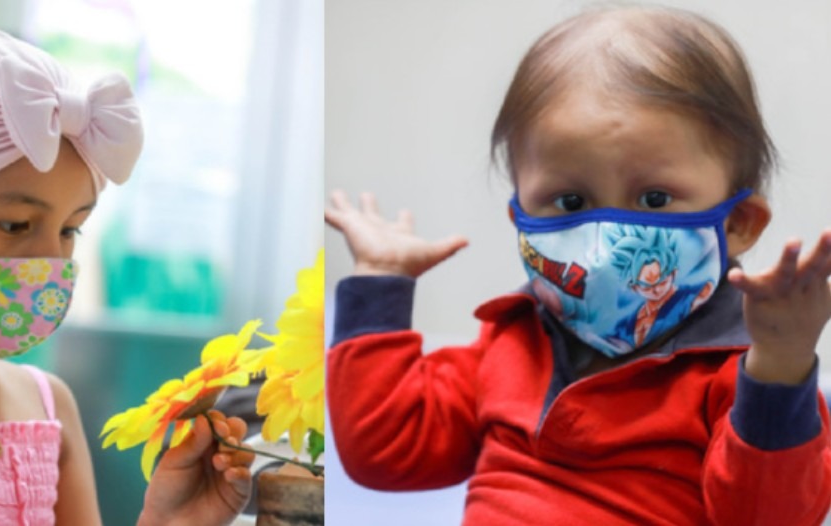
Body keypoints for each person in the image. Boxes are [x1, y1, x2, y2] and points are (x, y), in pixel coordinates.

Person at [326, 6, 831, 525]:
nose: (608, 244)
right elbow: (384, 451)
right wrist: (378, 283)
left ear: (738, 222)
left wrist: (779, 367)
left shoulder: (740, 372)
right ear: (519, 216)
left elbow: (771, 516)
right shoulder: (509, 342)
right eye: (570, 201)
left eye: (654, 198)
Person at [0, 29, 254, 525]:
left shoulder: (48, 407)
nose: (48, 261)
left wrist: (171, 521)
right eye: (14, 224)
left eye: (71, 230)